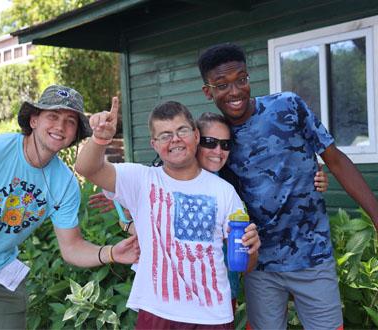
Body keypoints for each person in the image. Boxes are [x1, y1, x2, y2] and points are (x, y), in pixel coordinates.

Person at [197, 43, 378, 330]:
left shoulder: (288, 106)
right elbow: (182, 167)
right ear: (208, 91)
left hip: (312, 254)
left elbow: (334, 159)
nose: (234, 92)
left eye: (240, 80)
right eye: (222, 85)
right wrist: (122, 200)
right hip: (260, 264)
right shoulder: (217, 137)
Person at [88, 111, 329, 316]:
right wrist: (126, 214)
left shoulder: (228, 183)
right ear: (195, 139)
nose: (218, 150)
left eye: (225, 145)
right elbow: (137, 207)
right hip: (167, 297)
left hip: (218, 293)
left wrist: (312, 178)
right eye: (210, 142)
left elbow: (275, 186)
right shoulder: (159, 177)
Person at [76, 99, 260, 329]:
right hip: (157, 313)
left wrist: (251, 249)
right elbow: (86, 168)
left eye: (182, 130)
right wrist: (100, 138)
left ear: (195, 135)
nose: (174, 139)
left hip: (213, 316)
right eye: (165, 135)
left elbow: (245, 265)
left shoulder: (224, 191)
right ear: (154, 144)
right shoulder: (141, 180)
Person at [0, 85, 139, 330]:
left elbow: (72, 247)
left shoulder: (65, 184)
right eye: (52, 116)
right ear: (33, 120)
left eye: (70, 121)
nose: (60, 127)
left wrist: (112, 253)